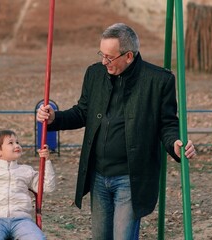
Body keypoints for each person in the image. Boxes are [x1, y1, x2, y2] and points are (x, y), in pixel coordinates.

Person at [36, 23, 196, 239]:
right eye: (102, 54)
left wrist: (175, 143)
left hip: (131, 178)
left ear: (129, 56)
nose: (104, 61)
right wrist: (55, 117)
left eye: (109, 57)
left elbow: (167, 124)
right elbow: (83, 112)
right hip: (98, 175)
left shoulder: (158, 81)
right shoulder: (94, 73)